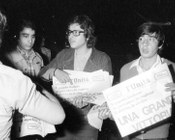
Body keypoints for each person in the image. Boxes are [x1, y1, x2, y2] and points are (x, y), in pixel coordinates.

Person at [39, 15, 112, 140]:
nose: (70, 36)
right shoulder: (63, 55)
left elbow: (107, 95)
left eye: (76, 32)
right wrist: (54, 70)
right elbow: (42, 75)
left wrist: (89, 101)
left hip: (89, 121)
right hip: (64, 120)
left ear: (88, 35)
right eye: (69, 32)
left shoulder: (102, 59)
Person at [0, 11, 65, 140]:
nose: (30, 41)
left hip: (35, 112)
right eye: (25, 36)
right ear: (17, 37)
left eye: (33, 36)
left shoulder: (39, 57)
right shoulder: (8, 57)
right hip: (16, 116)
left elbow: (42, 82)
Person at [119, 22, 175, 140]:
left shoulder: (172, 68)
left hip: (158, 137)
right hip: (130, 137)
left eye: (151, 39)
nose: (145, 44)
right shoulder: (125, 69)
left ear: (160, 44)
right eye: (141, 39)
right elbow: (121, 108)